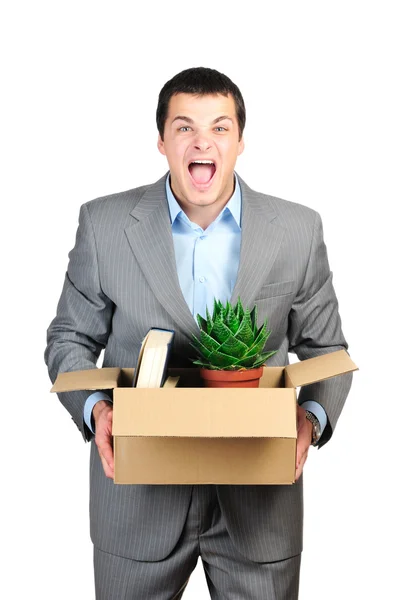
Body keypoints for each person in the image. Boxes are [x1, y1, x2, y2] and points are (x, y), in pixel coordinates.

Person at [45, 67, 352, 599]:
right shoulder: (105, 225)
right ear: (161, 141)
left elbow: (326, 349)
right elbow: (69, 338)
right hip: (137, 499)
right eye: (185, 127)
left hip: (258, 505)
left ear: (239, 141)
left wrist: (310, 420)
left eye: (219, 127)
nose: (202, 141)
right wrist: (96, 409)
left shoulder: (297, 231)